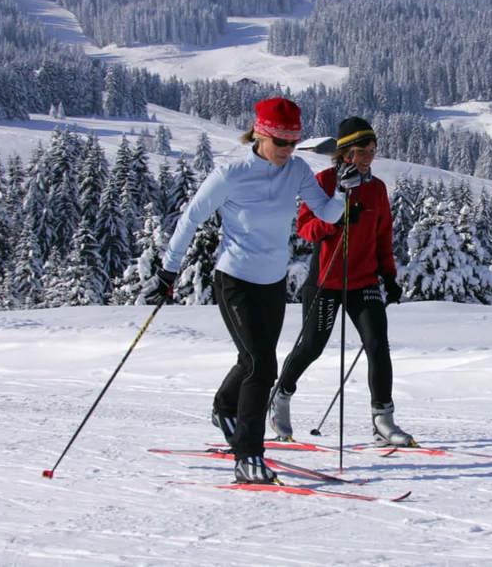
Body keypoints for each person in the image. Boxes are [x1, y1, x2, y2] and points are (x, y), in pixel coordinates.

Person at [141, 97, 359, 484]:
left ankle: (224, 406)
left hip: (272, 283)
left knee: (252, 358)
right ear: (260, 134)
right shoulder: (232, 173)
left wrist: (342, 191)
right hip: (235, 279)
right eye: (281, 143)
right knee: (262, 364)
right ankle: (248, 456)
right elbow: (191, 218)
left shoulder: (296, 171)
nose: (289, 151)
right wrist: (168, 271)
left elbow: (327, 215)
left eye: (294, 143)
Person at [269, 116, 415, 447]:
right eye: (363, 151)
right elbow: (306, 229)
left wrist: (389, 275)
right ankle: (279, 397)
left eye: (373, 151)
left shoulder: (377, 189)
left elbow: (383, 236)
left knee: (378, 346)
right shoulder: (323, 182)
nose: (368, 158)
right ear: (345, 153)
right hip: (325, 281)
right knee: (311, 346)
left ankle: (383, 420)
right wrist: (335, 219)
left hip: (363, 282)